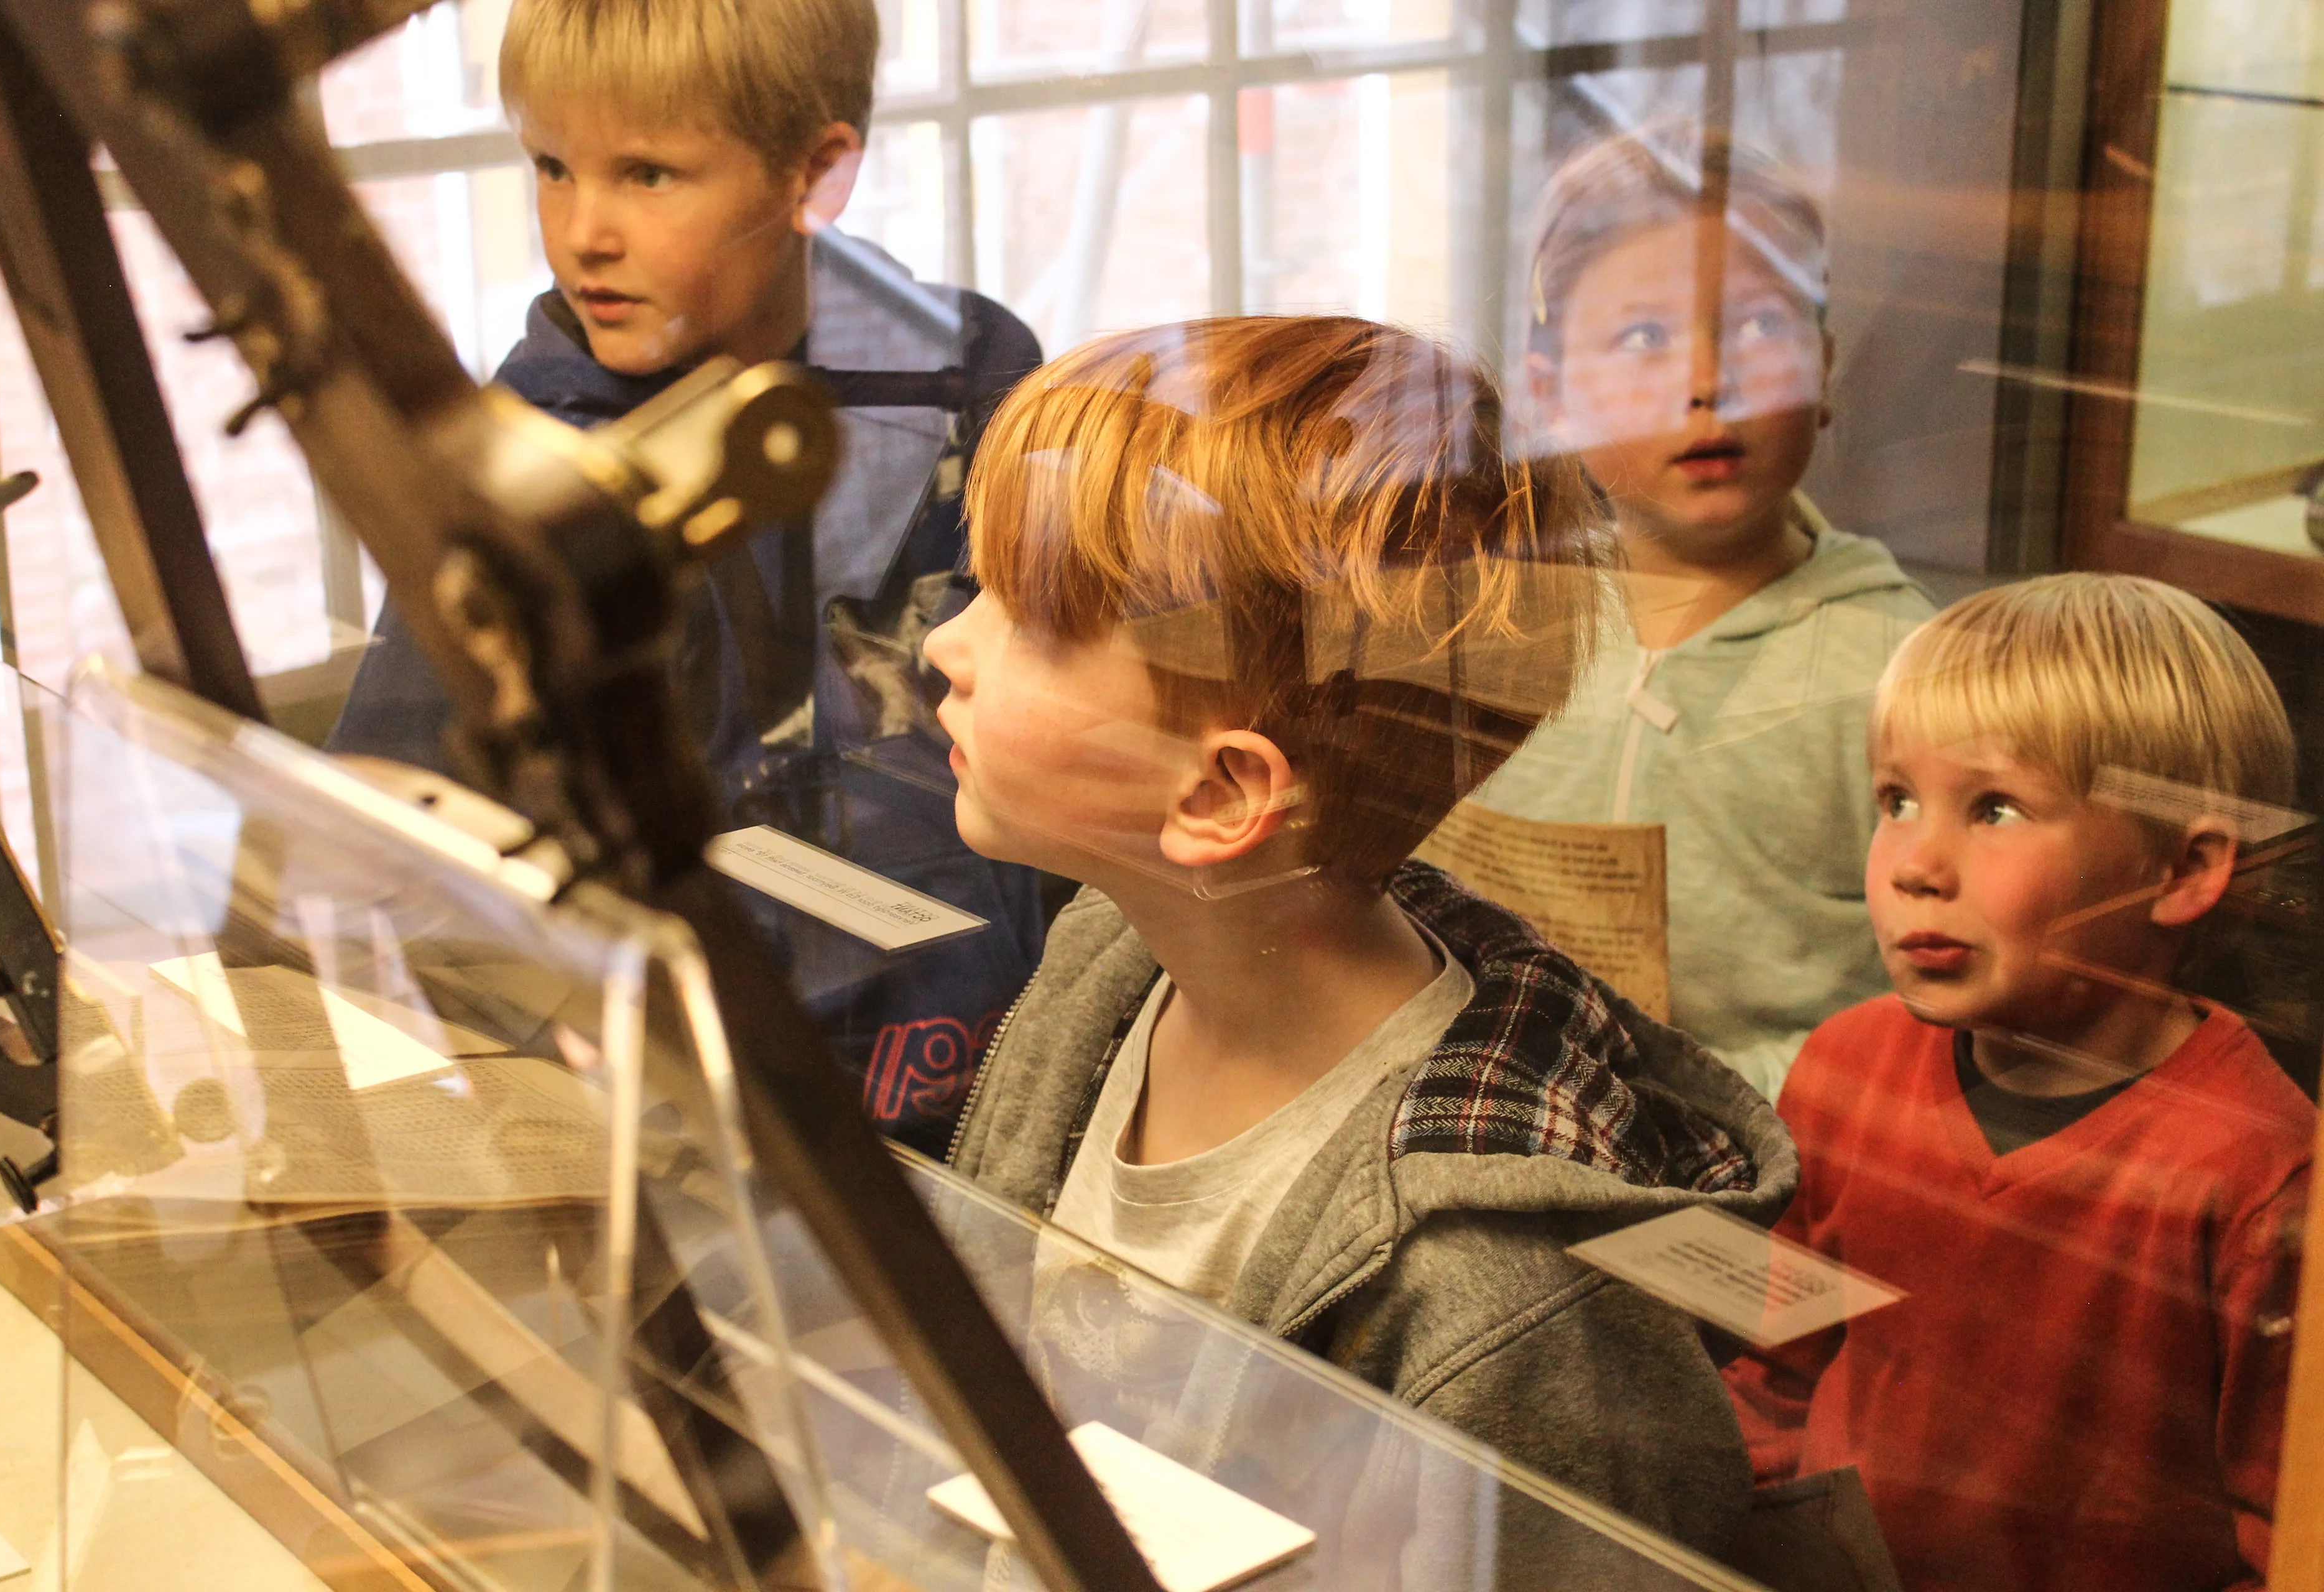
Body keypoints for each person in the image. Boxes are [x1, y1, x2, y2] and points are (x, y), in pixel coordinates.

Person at [931, 316, 1798, 1555]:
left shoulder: (1498, 1295)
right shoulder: (1114, 966)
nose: (944, 647)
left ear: (1222, 794)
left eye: (1030, 615)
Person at [325, 0, 1045, 1154]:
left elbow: (1056, 722)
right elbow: (404, 827)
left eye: (649, 175)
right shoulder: (526, 468)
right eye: (552, 168)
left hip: (976, 1073)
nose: (583, 232)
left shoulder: (970, 382)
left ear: (817, 174)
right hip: (674, 1104)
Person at [1724, 574, 2314, 1592]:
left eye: (1993, 809)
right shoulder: (1846, 1070)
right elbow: (1774, 1370)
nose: (1915, 863)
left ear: (2179, 873)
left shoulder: (2262, 1173)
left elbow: (2283, 1532)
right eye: (1896, 801)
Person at [1474, 126, 1934, 1099]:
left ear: (1825, 371)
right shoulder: (1497, 621)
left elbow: (1936, 1004)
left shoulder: (1902, 668)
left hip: (1774, 1165)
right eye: (1643, 337)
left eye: (1762, 328)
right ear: (1551, 389)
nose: (1706, 383)